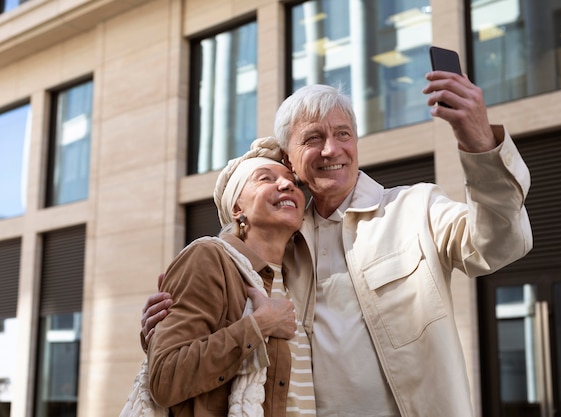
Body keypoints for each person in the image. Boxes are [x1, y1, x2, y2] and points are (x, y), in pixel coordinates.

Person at [142, 71, 533, 417]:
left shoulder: (416, 209)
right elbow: (209, 344)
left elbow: (499, 244)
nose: (332, 149)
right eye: (313, 138)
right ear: (290, 161)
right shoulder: (278, 246)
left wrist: (482, 145)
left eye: (342, 134)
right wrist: (163, 332)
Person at [146, 137, 316, 417]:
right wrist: (259, 326)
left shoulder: (299, 277)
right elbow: (165, 379)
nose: (287, 185)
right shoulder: (210, 258)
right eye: (265, 179)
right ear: (237, 209)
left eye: (292, 181)